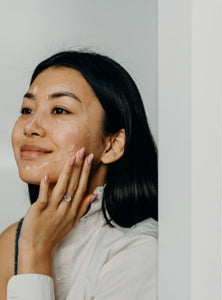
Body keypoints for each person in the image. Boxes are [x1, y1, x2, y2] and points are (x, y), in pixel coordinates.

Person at [0, 51, 158, 299]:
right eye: (27, 109)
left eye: (60, 110)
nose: (30, 127)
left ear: (112, 144)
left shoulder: (140, 249)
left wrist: (36, 254)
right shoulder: (14, 239)